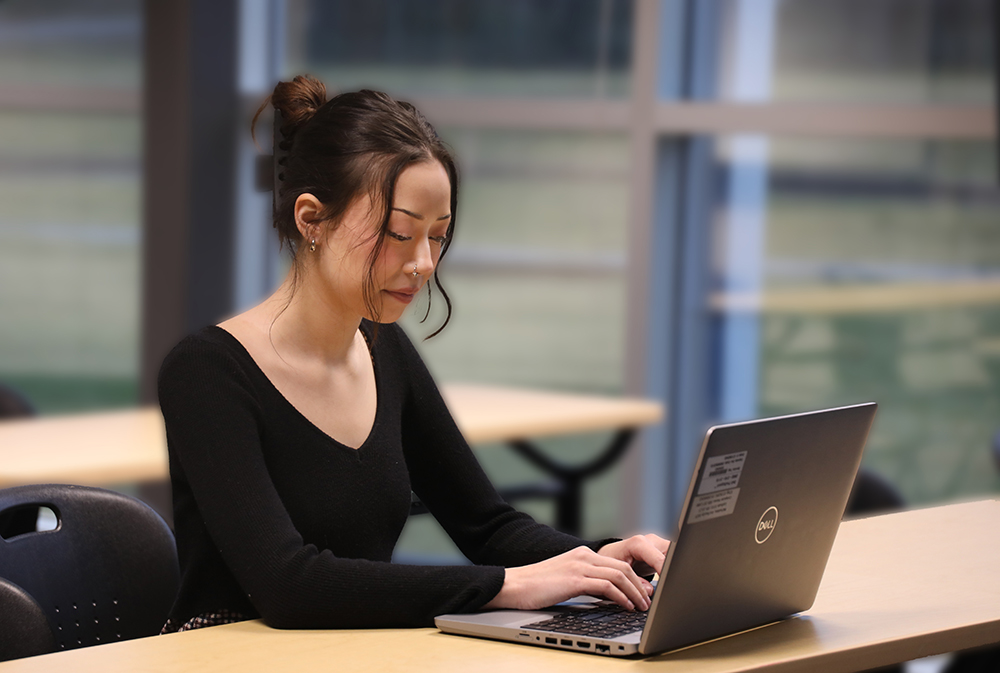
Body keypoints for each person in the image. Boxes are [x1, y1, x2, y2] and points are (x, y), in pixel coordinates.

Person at [157, 75, 670, 633]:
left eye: (438, 236)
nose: (424, 263)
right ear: (312, 220)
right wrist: (504, 586)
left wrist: (603, 563)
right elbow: (288, 585)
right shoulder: (207, 371)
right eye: (400, 234)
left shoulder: (383, 349)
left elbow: (487, 526)